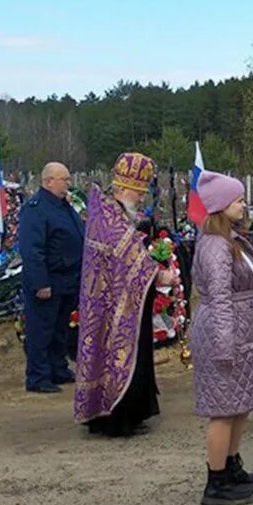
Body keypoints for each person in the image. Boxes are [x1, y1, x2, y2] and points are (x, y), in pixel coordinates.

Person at [189, 171, 253, 505]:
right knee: (223, 409)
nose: (244, 205)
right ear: (221, 205)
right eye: (238, 200)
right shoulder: (216, 247)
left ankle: (231, 466)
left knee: (238, 405)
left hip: (240, 332)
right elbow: (220, 298)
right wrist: (225, 344)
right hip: (223, 334)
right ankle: (216, 483)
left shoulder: (231, 239)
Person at [75, 152, 177, 437]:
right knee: (117, 357)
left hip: (127, 298)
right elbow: (130, 257)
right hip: (112, 303)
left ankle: (133, 412)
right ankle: (115, 417)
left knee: (135, 353)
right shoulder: (110, 217)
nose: (142, 198)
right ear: (122, 188)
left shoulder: (113, 212)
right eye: (138, 192)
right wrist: (159, 275)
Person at [18, 162, 85, 394]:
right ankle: (38, 376)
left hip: (68, 279)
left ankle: (58, 368)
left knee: (60, 328)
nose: (68, 184)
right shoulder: (36, 209)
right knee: (41, 329)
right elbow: (32, 250)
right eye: (64, 179)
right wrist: (40, 283)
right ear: (49, 181)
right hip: (49, 279)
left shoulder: (64, 206)